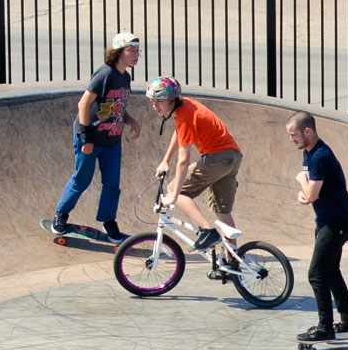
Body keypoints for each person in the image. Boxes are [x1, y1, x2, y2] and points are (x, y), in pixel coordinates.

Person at [50, 32, 142, 242]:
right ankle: (61, 214)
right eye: (132, 50)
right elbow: (83, 104)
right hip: (90, 139)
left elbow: (116, 106)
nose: (137, 55)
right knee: (82, 179)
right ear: (119, 52)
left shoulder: (125, 77)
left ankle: (108, 220)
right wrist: (86, 138)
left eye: (138, 51)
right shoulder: (105, 74)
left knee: (112, 184)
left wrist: (130, 120)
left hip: (112, 140)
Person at [146, 77, 241, 253]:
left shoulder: (186, 114)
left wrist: (174, 195)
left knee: (177, 189)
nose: (155, 105)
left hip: (216, 159)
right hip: (232, 157)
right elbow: (180, 132)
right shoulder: (185, 108)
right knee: (222, 211)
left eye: (159, 101)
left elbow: (184, 161)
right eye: (152, 101)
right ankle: (232, 262)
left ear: (172, 99)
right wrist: (165, 160)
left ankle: (207, 231)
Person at [286, 111, 348, 341]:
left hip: (335, 223)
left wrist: (301, 182)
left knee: (316, 274)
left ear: (307, 131)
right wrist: (303, 193)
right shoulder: (309, 154)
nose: (292, 139)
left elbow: (312, 193)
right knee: (330, 272)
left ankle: (324, 327)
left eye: (293, 134)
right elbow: (309, 194)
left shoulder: (320, 156)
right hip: (330, 221)